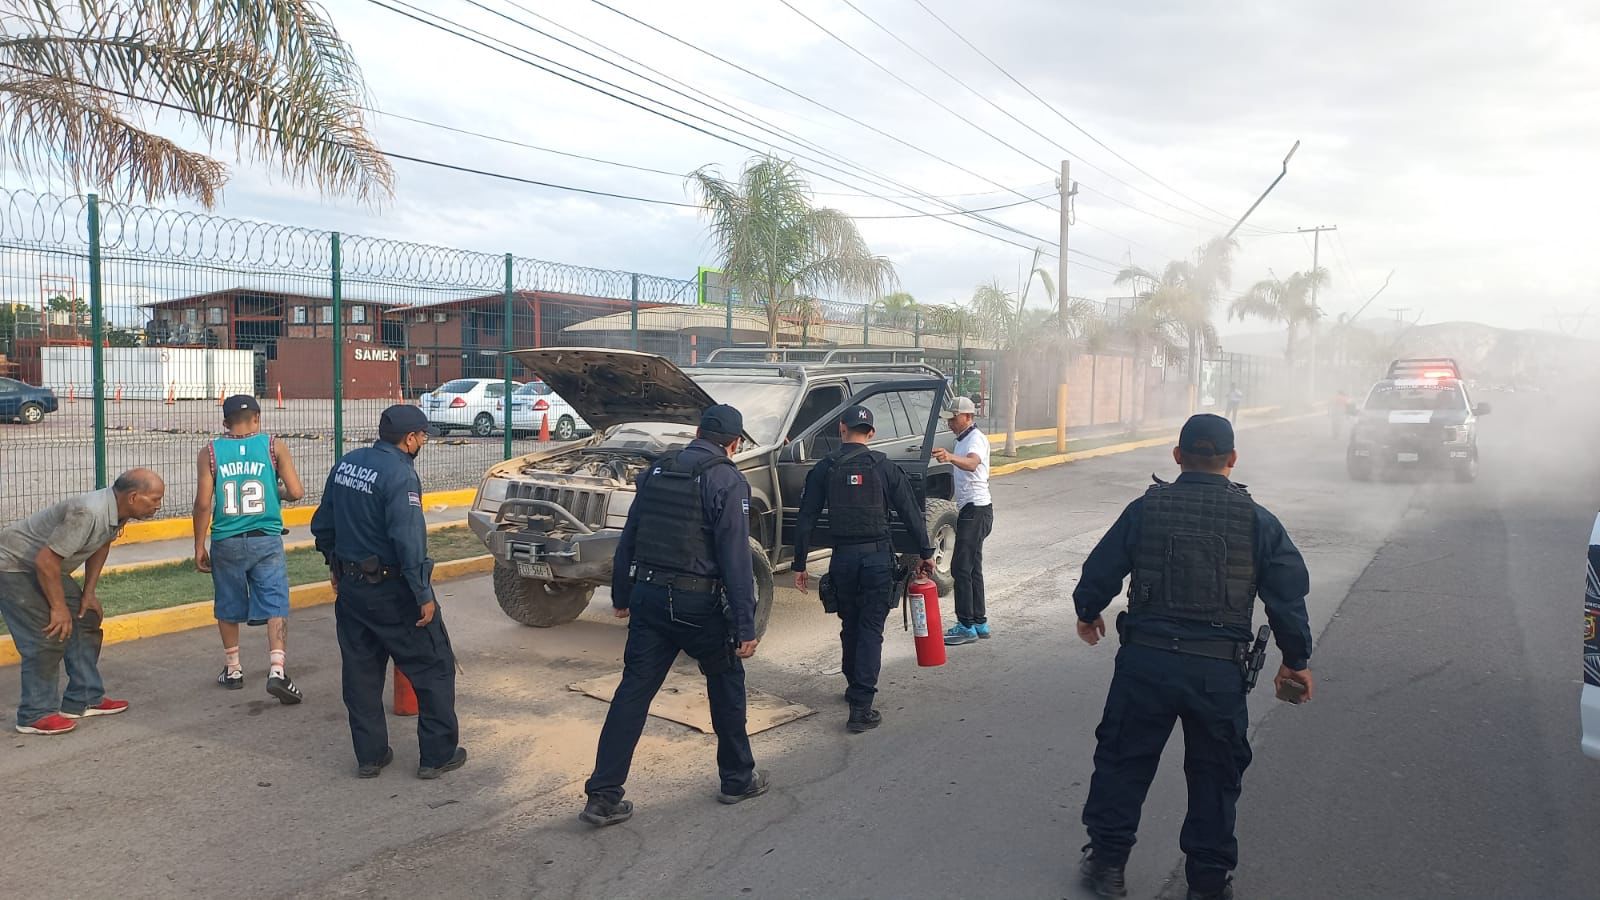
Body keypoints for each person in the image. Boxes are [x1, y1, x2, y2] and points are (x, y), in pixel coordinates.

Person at [1073, 414, 1315, 900]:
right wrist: (1296, 659)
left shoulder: (1146, 509)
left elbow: (1101, 567)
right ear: (1232, 460)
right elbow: (1286, 596)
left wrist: (1088, 611)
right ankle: (1207, 883)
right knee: (1215, 775)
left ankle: (1109, 867)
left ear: (1178, 455)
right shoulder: (1258, 521)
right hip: (1217, 672)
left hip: (1146, 664)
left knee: (1122, 762)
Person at [580, 404, 767, 827]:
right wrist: (744, 625)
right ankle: (737, 778)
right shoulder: (727, 479)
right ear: (734, 443)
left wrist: (622, 594)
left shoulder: (657, 471)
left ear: (698, 431)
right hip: (697, 605)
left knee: (632, 693)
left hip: (648, 597)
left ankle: (603, 796)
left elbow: (631, 534)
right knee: (726, 683)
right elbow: (735, 558)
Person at [310, 405, 464, 780]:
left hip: (351, 588)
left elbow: (324, 523)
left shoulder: (347, 463)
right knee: (434, 667)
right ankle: (437, 755)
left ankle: (370, 755)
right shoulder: (400, 475)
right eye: (423, 435)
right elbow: (408, 540)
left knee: (361, 672)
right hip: (393, 590)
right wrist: (423, 594)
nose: (424, 441)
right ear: (410, 439)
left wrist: (334, 565)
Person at [791, 405, 935, 732]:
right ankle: (861, 707)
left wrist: (800, 563)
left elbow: (806, 519)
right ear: (871, 433)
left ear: (842, 428)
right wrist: (925, 552)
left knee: (850, 623)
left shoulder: (824, 468)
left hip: (842, 559)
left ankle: (853, 684)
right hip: (877, 561)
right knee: (871, 628)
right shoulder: (884, 467)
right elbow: (911, 514)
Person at [0, 470, 165, 735]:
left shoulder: (118, 511)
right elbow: (45, 561)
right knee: (48, 635)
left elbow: (101, 544)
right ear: (134, 496)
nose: (158, 505)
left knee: (85, 617)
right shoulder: (88, 512)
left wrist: (88, 593)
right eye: (155, 499)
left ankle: (83, 698)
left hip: (43, 566)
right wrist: (57, 608)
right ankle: (34, 713)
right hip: (13, 566)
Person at [193, 394, 306, 704]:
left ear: (225, 423)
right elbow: (296, 491)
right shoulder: (273, 446)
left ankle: (233, 669)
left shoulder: (210, 453)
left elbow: (204, 503)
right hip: (265, 538)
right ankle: (277, 669)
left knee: (228, 601)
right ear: (257, 418)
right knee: (275, 600)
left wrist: (198, 545)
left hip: (226, 540)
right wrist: (275, 490)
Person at [934, 396, 994, 646]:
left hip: (976, 511)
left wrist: (949, 457)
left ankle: (966, 625)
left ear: (969, 417)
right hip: (973, 509)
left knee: (960, 567)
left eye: (954, 418)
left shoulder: (975, 440)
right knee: (972, 568)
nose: (951, 423)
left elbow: (972, 463)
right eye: (949, 418)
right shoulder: (963, 440)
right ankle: (979, 621)